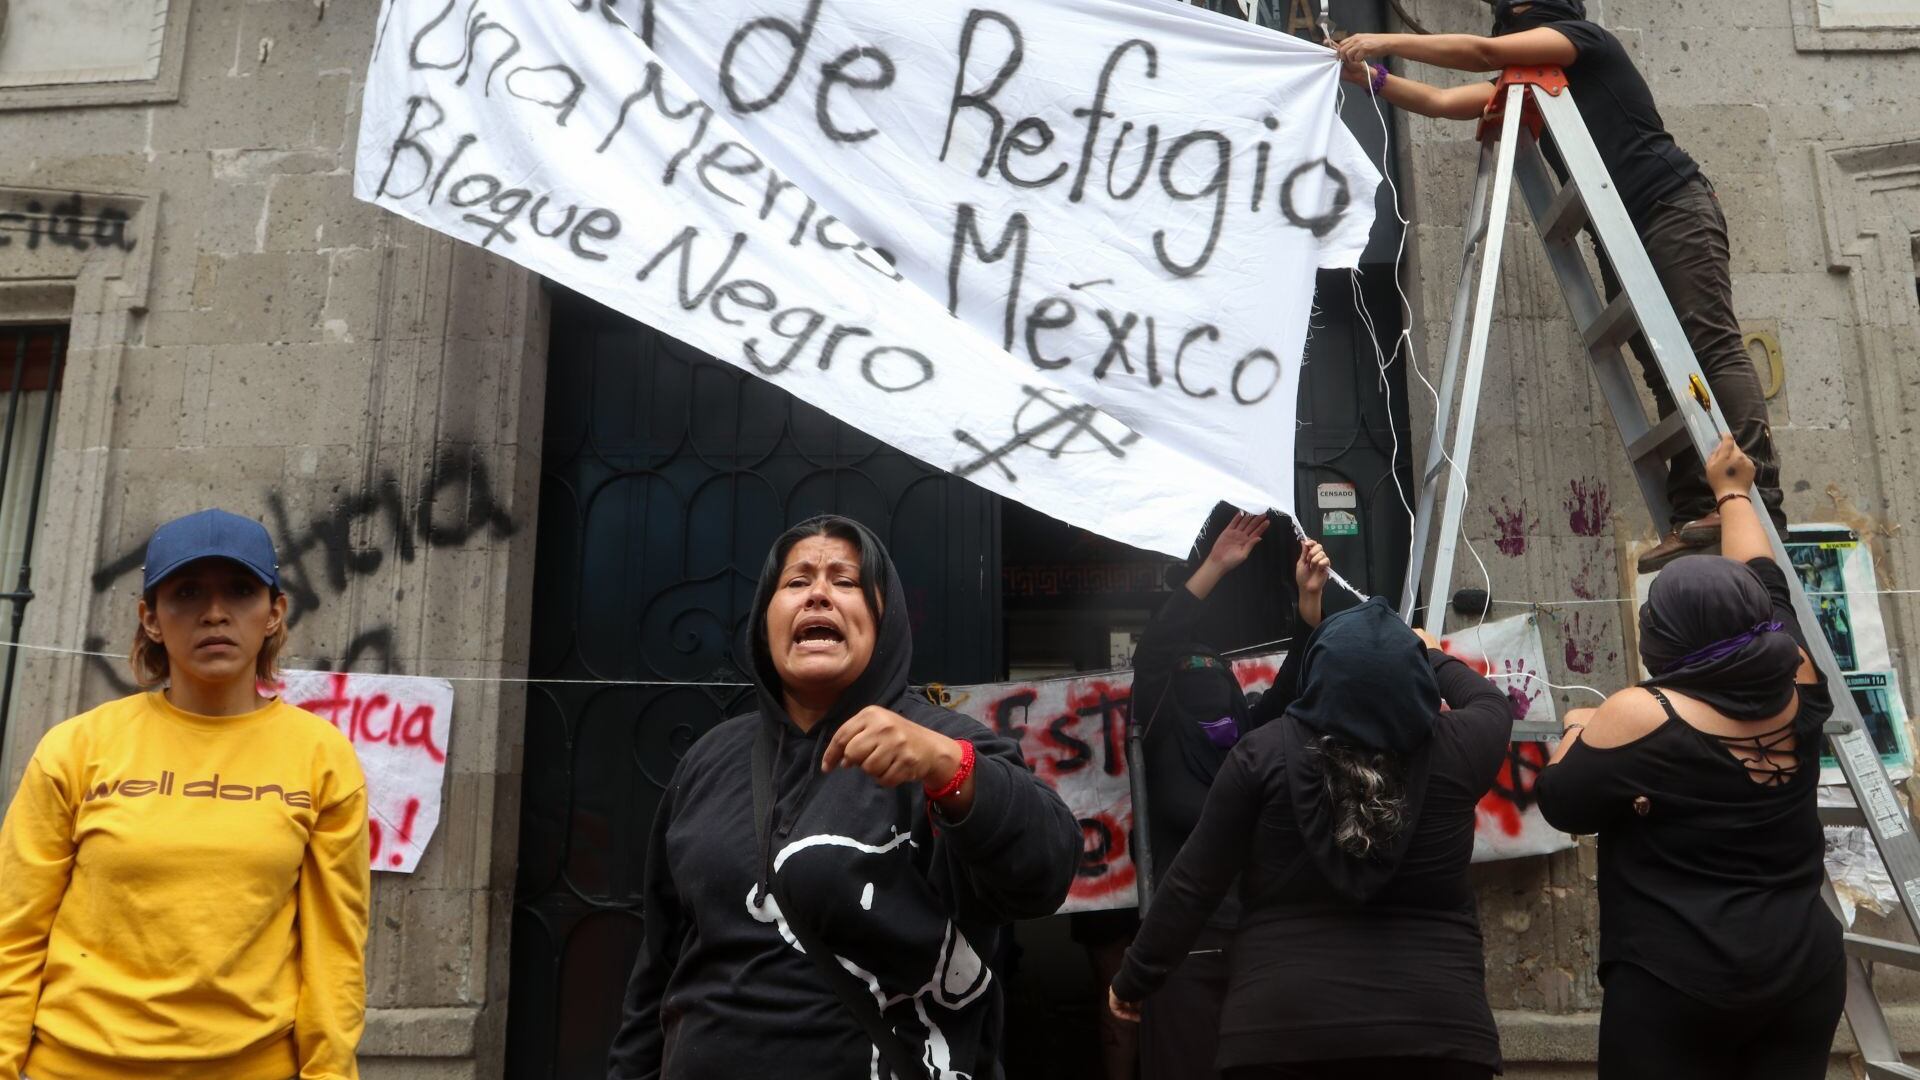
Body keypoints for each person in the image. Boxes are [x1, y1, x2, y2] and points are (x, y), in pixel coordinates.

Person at [608, 514, 1080, 1080]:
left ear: (885, 618)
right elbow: (657, 968)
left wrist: (948, 768)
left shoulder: (944, 746)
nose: (819, 595)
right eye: (797, 581)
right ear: (765, 621)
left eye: (845, 581)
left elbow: (1047, 870)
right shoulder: (708, 760)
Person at [1336, 0, 1788, 570]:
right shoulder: (1530, 83)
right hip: (1620, 228)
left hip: (1669, 205)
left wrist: (1384, 43)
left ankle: (1756, 492)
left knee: (1710, 347)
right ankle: (1699, 505)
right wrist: (1371, 79)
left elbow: (1483, 52)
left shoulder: (1582, 40)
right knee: (1661, 367)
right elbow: (1444, 102)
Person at [1109, 545, 1512, 1080]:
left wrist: (1134, 979)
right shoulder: (1460, 747)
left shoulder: (1263, 755)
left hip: (1284, 1031)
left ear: (1320, 679)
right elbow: (1490, 703)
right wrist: (1426, 653)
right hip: (1437, 1031)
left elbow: (1193, 883)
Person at [0, 508, 371, 1079]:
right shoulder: (76, 749)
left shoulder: (321, 757)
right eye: (187, 592)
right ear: (150, 618)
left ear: (274, 613)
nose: (215, 613)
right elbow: (13, 930)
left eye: (241, 591)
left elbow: (335, 953)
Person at [1532, 435, 1843, 1080]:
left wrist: (1578, 726)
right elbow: (1764, 581)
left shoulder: (1643, 714)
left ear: (1664, 640)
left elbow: (1562, 801)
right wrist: (1732, 491)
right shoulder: (1798, 678)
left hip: (1678, 982)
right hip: (1801, 970)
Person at [1126, 511, 1312, 1080]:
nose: (1205, 685)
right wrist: (1214, 567)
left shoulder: (1250, 744)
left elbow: (1293, 686)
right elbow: (1156, 652)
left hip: (1256, 946)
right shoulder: (1161, 737)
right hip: (1181, 951)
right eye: (1191, 676)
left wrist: (1309, 609)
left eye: (1216, 675)